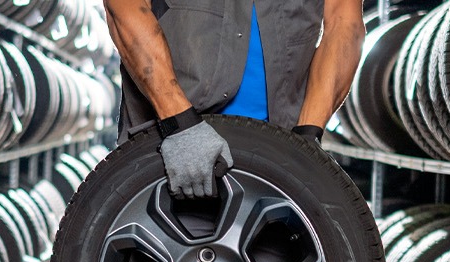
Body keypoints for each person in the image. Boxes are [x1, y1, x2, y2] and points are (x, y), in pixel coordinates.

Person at [104, 0, 364, 199]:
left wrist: (308, 137)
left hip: (282, 157)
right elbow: (125, 6)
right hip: (165, 144)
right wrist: (177, 120)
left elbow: (344, 23)